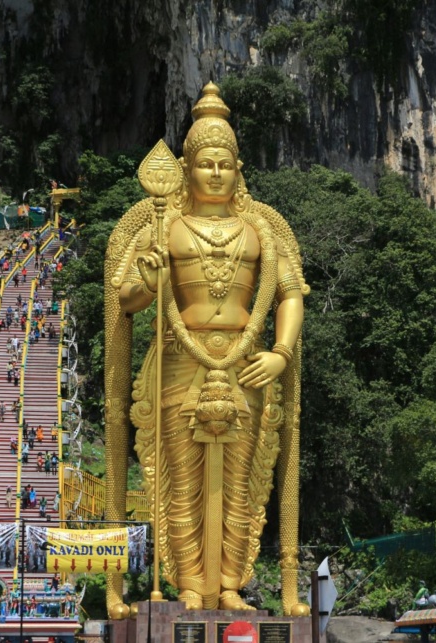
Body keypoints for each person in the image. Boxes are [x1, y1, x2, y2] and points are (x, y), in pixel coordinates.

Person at [104, 83, 308, 617]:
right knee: (181, 479)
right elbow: (125, 299)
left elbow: (289, 293)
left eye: (224, 164)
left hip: (246, 362)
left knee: (242, 481)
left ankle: (231, 585)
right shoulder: (163, 226)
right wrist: (150, 281)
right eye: (204, 164)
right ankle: (190, 586)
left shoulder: (260, 230)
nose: (215, 173)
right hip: (179, 359)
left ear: (238, 170)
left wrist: (281, 352)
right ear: (186, 169)